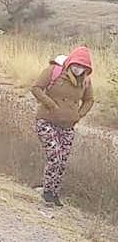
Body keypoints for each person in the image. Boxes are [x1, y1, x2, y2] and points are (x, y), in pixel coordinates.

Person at [30, 47, 94, 207]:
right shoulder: (54, 71)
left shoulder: (85, 81)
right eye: (76, 65)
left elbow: (89, 100)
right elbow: (36, 88)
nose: (78, 69)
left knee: (62, 161)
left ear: (87, 69)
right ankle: (47, 193)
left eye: (82, 67)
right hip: (46, 121)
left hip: (67, 125)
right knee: (55, 156)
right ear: (70, 63)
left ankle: (54, 193)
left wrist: (79, 115)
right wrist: (51, 104)